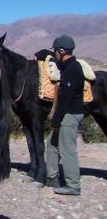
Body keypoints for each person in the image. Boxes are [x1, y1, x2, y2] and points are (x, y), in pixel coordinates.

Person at [45, 34, 85, 196]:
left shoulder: (72, 69)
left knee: (67, 149)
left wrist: (56, 119)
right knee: (52, 144)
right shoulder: (67, 67)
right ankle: (52, 177)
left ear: (61, 51)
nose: (54, 53)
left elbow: (65, 99)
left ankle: (73, 184)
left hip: (69, 114)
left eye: (55, 50)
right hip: (66, 114)